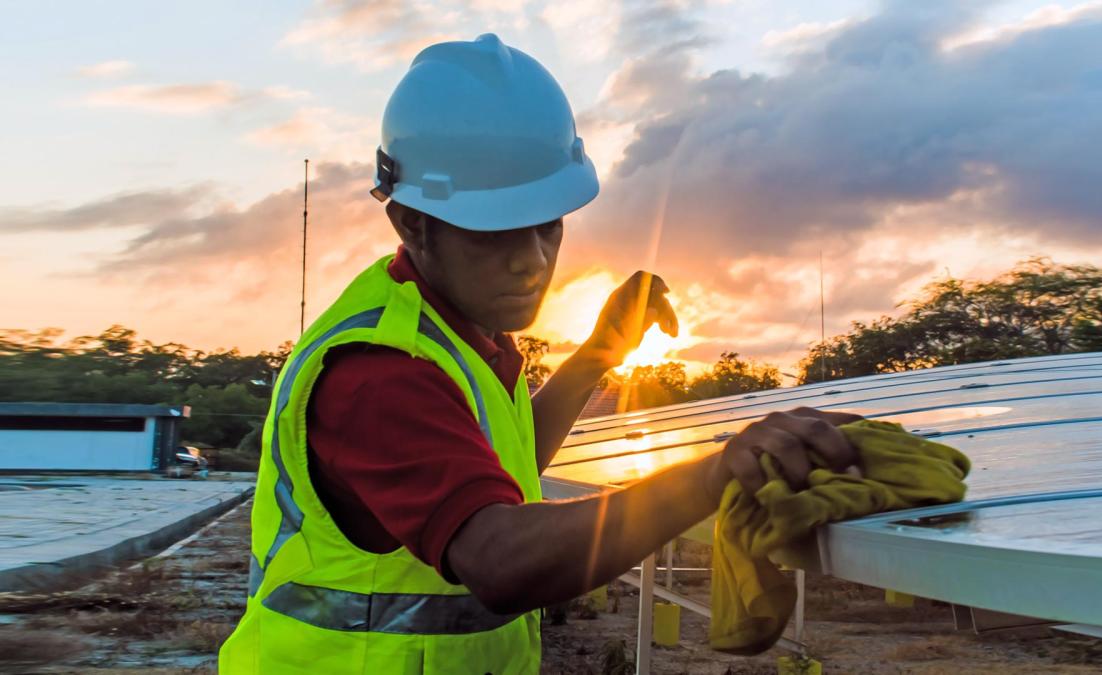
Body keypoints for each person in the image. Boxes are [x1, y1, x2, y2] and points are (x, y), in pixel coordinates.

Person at [219, 34, 860, 674]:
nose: (533, 261)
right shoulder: (381, 374)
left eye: (548, 223)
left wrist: (598, 353)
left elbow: (501, 469)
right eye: (496, 231)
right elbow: (497, 559)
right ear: (411, 224)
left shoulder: (458, 332)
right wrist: (714, 473)